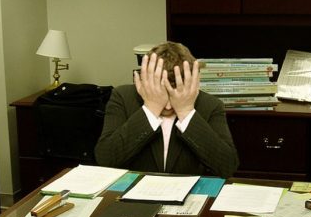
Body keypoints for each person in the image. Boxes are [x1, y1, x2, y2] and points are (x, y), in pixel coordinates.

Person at [95, 41, 239, 179]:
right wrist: (151, 108)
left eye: (174, 93)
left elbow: (227, 167)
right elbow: (105, 159)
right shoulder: (123, 97)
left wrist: (186, 112)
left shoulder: (210, 105)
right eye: (161, 93)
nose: (169, 106)